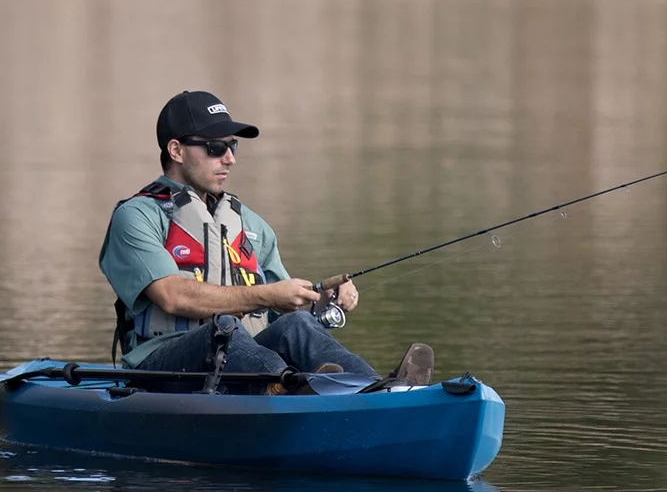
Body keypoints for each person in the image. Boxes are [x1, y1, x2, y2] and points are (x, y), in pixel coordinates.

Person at [97, 89, 433, 388]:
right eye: (216, 147)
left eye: (232, 145)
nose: (230, 158)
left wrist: (319, 298)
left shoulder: (251, 225)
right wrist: (267, 295)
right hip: (160, 371)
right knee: (223, 330)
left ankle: (379, 392)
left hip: (243, 365)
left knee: (298, 325)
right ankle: (297, 389)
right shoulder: (137, 216)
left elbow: (278, 306)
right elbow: (171, 296)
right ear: (176, 150)